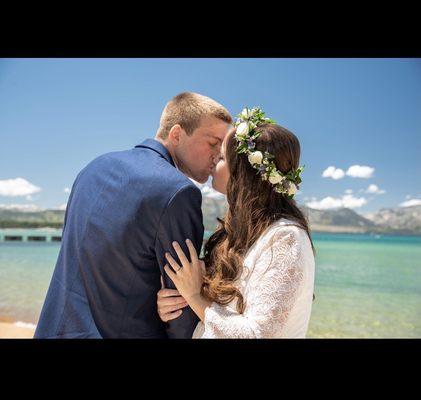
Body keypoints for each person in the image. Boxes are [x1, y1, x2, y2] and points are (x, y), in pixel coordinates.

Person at [34, 92, 232, 338]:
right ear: (177, 134)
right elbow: (181, 306)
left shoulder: (92, 169)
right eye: (213, 142)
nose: (219, 155)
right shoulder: (178, 192)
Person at [156, 107, 315, 338]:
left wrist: (194, 297)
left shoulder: (286, 238)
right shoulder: (236, 235)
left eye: (221, 157)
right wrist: (176, 300)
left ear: (242, 173)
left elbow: (258, 334)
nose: (213, 161)